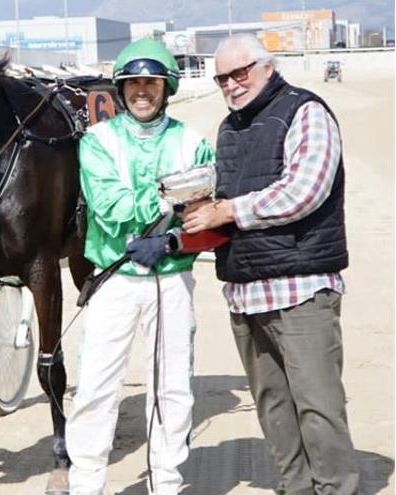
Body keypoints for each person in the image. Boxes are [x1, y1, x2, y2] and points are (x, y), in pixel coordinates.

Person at [184, 33, 359, 495]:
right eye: (221, 77)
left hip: (300, 288)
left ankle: (336, 488)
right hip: (245, 289)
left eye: (239, 73)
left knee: (318, 404)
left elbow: (305, 190)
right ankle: (297, 487)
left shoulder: (306, 111)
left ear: (267, 66)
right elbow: (221, 202)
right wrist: (192, 224)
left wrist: (227, 211)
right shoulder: (229, 128)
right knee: (272, 404)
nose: (231, 84)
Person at [65, 38, 214, 495]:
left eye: (151, 81)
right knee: (95, 388)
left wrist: (170, 235)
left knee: (171, 388)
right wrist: (173, 193)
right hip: (115, 280)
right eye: (133, 82)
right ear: (121, 88)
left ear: (166, 86)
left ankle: (166, 482)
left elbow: (206, 216)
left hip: (171, 280)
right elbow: (110, 207)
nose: (142, 90)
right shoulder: (97, 141)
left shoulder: (193, 142)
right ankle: (85, 483)